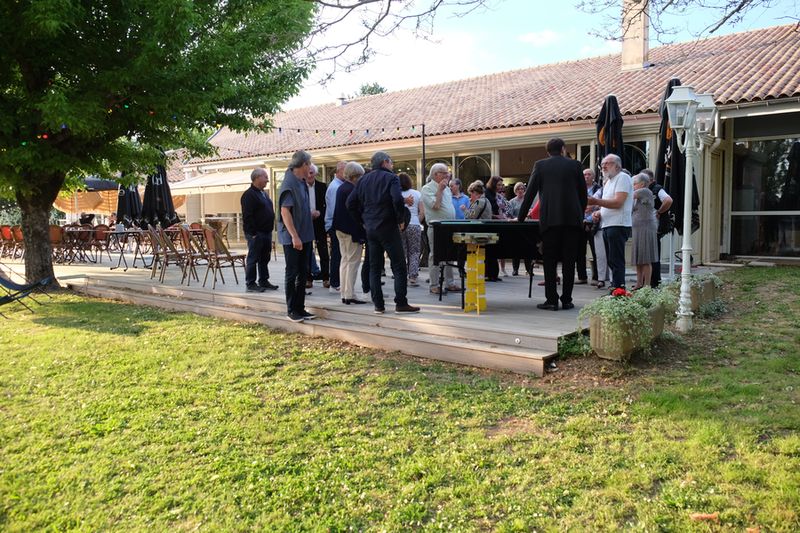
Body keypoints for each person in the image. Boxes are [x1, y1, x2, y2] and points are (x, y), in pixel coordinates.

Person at [517, 137, 587, 311]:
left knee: (550, 261)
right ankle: (567, 300)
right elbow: (583, 195)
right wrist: (579, 214)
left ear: (547, 151)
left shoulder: (540, 165)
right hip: (572, 222)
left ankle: (552, 300)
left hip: (550, 221)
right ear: (563, 149)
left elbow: (530, 193)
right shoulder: (576, 165)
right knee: (569, 262)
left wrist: (520, 218)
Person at [346, 151, 420, 314]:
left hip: (371, 228)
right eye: (391, 162)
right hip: (388, 226)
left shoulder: (363, 179)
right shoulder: (391, 178)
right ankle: (401, 303)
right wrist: (400, 219)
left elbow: (350, 203)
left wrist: (362, 221)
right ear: (385, 162)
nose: (392, 165)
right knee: (399, 265)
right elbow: (396, 199)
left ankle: (378, 305)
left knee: (374, 267)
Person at [277, 150, 316, 323]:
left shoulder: (301, 182)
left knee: (303, 272)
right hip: (294, 237)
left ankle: (300, 308)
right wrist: (294, 236)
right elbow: (285, 211)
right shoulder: (289, 183)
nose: (311, 168)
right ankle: (291, 310)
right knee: (292, 272)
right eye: (309, 164)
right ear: (304, 164)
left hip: (305, 235)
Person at [587, 153, 633, 290]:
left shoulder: (623, 177)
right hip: (607, 224)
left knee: (616, 260)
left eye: (607, 163)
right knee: (611, 260)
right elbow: (607, 204)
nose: (603, 166)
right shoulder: (608, 182)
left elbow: (618, 202)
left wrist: (596, 201)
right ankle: (615, 287)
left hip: (618, 224)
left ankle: (619, 288)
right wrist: (599, 212)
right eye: (602, 164)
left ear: (617, 165)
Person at [333, 162, 367, 304]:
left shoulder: (341, 188)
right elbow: (355, 211)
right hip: (351, 230)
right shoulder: (352, 189)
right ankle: (350, 294)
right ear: (355, 176)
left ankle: (344, 293)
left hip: (340, 229)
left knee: (345, 260)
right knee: (353, 262)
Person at [421, 163, 457, 294]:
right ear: (436, 174)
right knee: (435, 255)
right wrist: (440, 190)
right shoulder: (426, 189)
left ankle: (450, 283)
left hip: (449, 226)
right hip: (436, 227)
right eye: (445, 172)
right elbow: (435, 206)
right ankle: (434, 285)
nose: (448, 175)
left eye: (448, 172)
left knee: (450, 255)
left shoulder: (447, 188)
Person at [240, 167, 277, 293]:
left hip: (266, 232)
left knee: (264, 258)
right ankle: (250, 283)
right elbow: (247, 216)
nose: (267, 180)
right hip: (256, 233)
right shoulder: (249, 195)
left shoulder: (263, 194)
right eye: (265, 177)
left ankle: (263, 280)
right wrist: (253, 233)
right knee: (253, 258)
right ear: (257, 178)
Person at [643, 168, 674, 288]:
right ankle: (647, 282)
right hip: (645, 228)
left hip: (654, 228)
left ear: (649, 179)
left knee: (653, 256)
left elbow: (668, 200)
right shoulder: (644, 190)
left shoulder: (657, 189)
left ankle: (655, 283)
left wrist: (659, 211)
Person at [631, 173, 659, 289]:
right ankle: (639, 283)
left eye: (634, 183)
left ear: (642, 184)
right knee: (639, 258)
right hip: (638, 228)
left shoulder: (645, 191)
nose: (633, 185)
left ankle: (647, 285)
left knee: (646, 257)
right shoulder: (638, 194)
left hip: (646, 228)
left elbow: (629, 195)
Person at [305, 164, 329, 289]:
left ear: (315, 174)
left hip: (320, 222)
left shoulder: (322, 186)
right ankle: (308, 279)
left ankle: (326, 278)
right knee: (307, 251)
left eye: (311, 173)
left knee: (323, 251)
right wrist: (308, 213)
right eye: (307, 173)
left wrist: (320, 212)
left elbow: (327, 205)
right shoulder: (300, 186)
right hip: (306, 223)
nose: (309, 175)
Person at [324, 161, 347, 294]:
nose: (347, 174)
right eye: (345, 171)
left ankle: (337, 282)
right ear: (338, 171)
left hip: (336, 223)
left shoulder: (339, 185)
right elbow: (334, 209)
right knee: (337, 254)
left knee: (339, 253)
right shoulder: (335, 187)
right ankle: (335, 283)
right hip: (335, 224)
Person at [399, 173, 424, 286]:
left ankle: (401, 274)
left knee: (402, 251)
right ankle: (413, 276)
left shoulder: (397, 194)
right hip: (414, 224)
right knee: (414, 251)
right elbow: (422, 212)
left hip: (400, 225)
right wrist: (417, 221)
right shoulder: (417, 193)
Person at [577, 168, 600, 285]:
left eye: (589, 174)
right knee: (579, 251)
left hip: (593, 223)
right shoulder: (577, 188)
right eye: (584, 174)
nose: (586, 176)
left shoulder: (598, 189)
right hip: (580, 223)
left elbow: (601, 203)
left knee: (596, 251)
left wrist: (592, 207)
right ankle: (582, 277)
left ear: (593, 177)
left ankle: (596, 277)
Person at [507, 182, 531, 276]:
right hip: (516, 226)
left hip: (526, 226)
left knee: (527, 248)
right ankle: (515, 269)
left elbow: (532, 211)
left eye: (522, 189)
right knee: (516, 248)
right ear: (515, 191)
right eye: (518, 189)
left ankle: (528, 269)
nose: (520, 190)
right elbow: (509, 214)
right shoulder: (512, 201)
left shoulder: (528, 200)